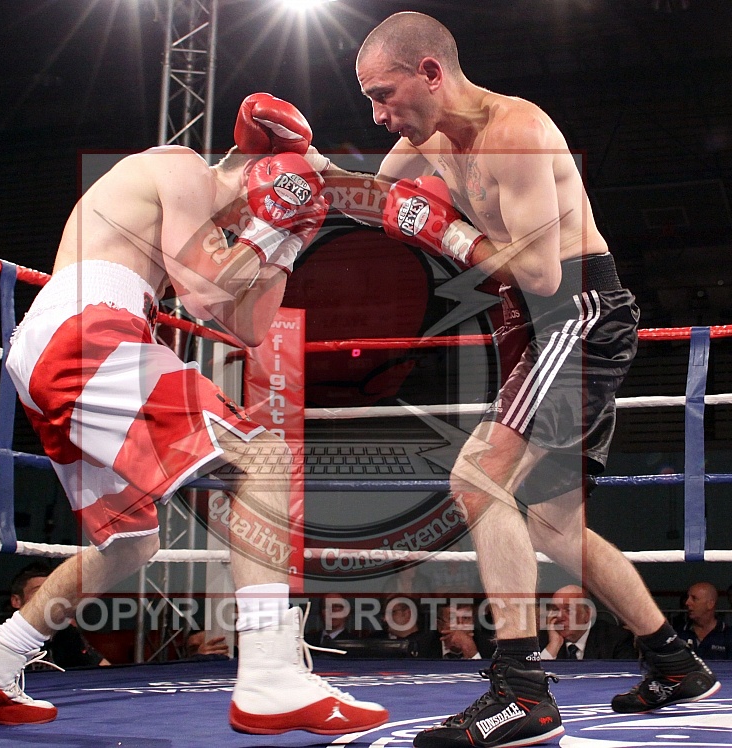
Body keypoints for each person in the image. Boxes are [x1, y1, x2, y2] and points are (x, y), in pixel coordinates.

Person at [301, 11, 719, 747]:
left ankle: (522, 692)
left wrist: (442, 228)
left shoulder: (516, 131)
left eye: (383, 94)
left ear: (431, 73)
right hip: (525, 325)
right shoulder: (423, 137)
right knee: (554, 526)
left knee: (477, 480)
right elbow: (374, 197)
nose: (378, 114)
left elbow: (542, 273)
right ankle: (673, 660)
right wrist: (298, 170)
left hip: (572, 314)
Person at [0, 94, 388, 735]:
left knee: (129, 543)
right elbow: (204, 289)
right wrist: (270, 223)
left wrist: (287, 238)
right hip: (86, 330)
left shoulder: (219, 226)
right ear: (260, 175)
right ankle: (270, 677)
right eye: (279, 195)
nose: (250, 221)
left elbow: (249, 326)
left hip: (70, 343)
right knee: (261, 457)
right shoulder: (180, 167)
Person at [0, 564, 110, 674]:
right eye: (38, 592)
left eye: (52, 592)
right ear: (16, 601)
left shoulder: (66, 633)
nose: (48, 598)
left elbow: (103, 667)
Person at [540, 585, 636, 660]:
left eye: (568, 610)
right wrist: (554, 645)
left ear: (587, 614)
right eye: (555, 609)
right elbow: (535, 676)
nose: (559, 616)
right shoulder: (544, 639)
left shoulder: (616, 639)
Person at [677, 582, 732, 659]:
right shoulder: (678, 634)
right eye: (687, 598)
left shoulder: (728, 635)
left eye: (694, 598)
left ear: (710, 604)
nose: (687, 603)